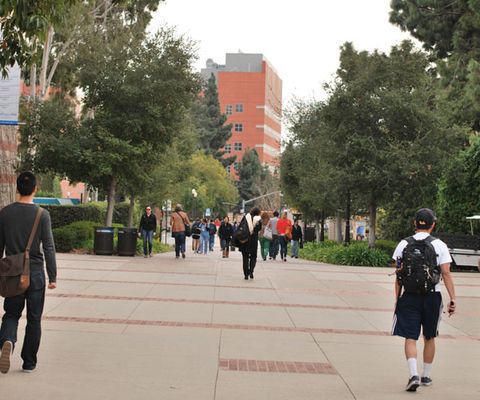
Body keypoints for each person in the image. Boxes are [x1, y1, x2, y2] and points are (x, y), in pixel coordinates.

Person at [391, 208, 456, 392]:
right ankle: (426, 375)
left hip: (409, 295)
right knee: (429, 336)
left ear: (415, 223)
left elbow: (398, 274)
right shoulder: (440, 245)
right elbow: (446, 273)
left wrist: (398, 299)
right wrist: (453, 299)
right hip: (432, 296)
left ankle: (413, 375)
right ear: (433, 224)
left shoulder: (403, 244)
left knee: (410, 337)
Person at [0, 171, 57, 374]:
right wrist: (53, 276)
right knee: (34, 318)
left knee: (11, 314)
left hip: (13, 274)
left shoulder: (5, 213)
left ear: (17, 189)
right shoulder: (42, 214)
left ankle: (7, 340)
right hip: (35, 274)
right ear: (35, 189)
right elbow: (48, 246)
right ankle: (29, 362)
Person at [238, 207, 262, 280]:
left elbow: (240, 227)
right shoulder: (258, 219)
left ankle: (246, 274)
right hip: (253, 240)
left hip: (245, 240)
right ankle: (251, 271)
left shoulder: (246, 217)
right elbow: (259, 229)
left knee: (245, 257)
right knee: (253, 257)